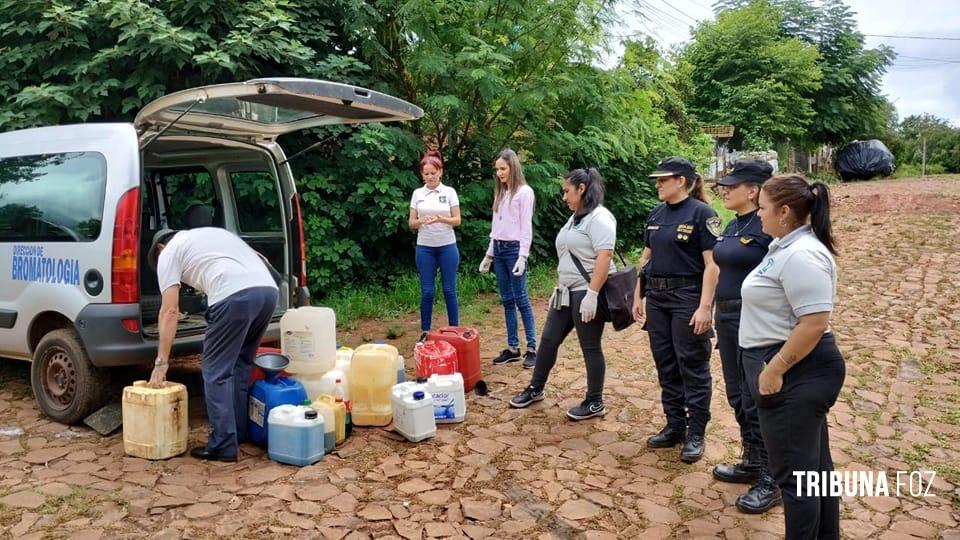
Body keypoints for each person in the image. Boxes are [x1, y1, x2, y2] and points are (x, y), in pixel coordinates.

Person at [740, 174, 844, 539]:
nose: (759, 215)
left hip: (793, 369)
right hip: (787, 365)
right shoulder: (785, 246)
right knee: (814, 473)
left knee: (796, 480)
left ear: (784, 212)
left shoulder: (803, 254)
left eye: (763, 208)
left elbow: (814, 322)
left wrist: (775, 370)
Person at [147, 227, 279, 462]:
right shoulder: (213, 235)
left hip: (234, 296)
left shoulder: (168, 253)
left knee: (215, 371)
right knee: (240, 362)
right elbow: (263, 259)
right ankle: (238, 432)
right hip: (268, 292)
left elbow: (170, 310)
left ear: (160, 248)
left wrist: (161, 362)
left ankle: (223, 445)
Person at [509, 168, 615, 421]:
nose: (564, 197)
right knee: (548, 341)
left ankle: (594, 400)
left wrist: (592, 293)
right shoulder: (575, 217)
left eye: (567, 191)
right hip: (566, 291)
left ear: (581, 189)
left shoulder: (600, 217)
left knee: (589, 346)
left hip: (586, 291)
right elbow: (569, 254)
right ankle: (536, 388)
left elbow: (605, 255)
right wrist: (559, 284)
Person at [633, 157, 719, 463]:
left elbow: (712, 265)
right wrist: (637, 295)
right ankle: (675, 425)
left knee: (692, 365)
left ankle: (696, 432)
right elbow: (646, 258)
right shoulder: (656, 214)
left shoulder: (702, 214)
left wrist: (705, 307)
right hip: (657, 297)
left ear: (681, 181)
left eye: (662, 180)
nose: (657, 184)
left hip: (688, 298)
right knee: (665, 364)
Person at [709, 160, 780, 513]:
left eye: (732, 186)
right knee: (738, 394)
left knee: (758, 397)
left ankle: (772, 477)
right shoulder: (732, 224)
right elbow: (718, 267)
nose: (724, 190)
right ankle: (752, 458)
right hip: (727, 316)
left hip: (755, 318)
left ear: (753, 190)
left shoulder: (769, 227)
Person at [478, 149, 538, 368]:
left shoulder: (524, 192)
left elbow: (525, 228)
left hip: (514, 250)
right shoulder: (501, 192)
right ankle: (513, 347)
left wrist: (523, 256)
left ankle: (532, 347)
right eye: (497, 169)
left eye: (503, 168)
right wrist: (489, 254)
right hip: (500, 250)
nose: (499, 173)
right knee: (507, 300)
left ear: (513, 168)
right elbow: (497, 227)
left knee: (521, 297)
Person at [408, 150, 462, 338]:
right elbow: (411, 223)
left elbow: (457, 220)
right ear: (422, 174)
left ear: (440, 172)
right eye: (426, 174)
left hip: (447, 246)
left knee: (449, 290)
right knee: (428, 292)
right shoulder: (417, 194)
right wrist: (422, 221)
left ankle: (454, 330)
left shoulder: (449, 192)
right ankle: (425, 331)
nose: (430, 177)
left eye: (433, 173)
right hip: (425, 248)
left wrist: (441, 218)